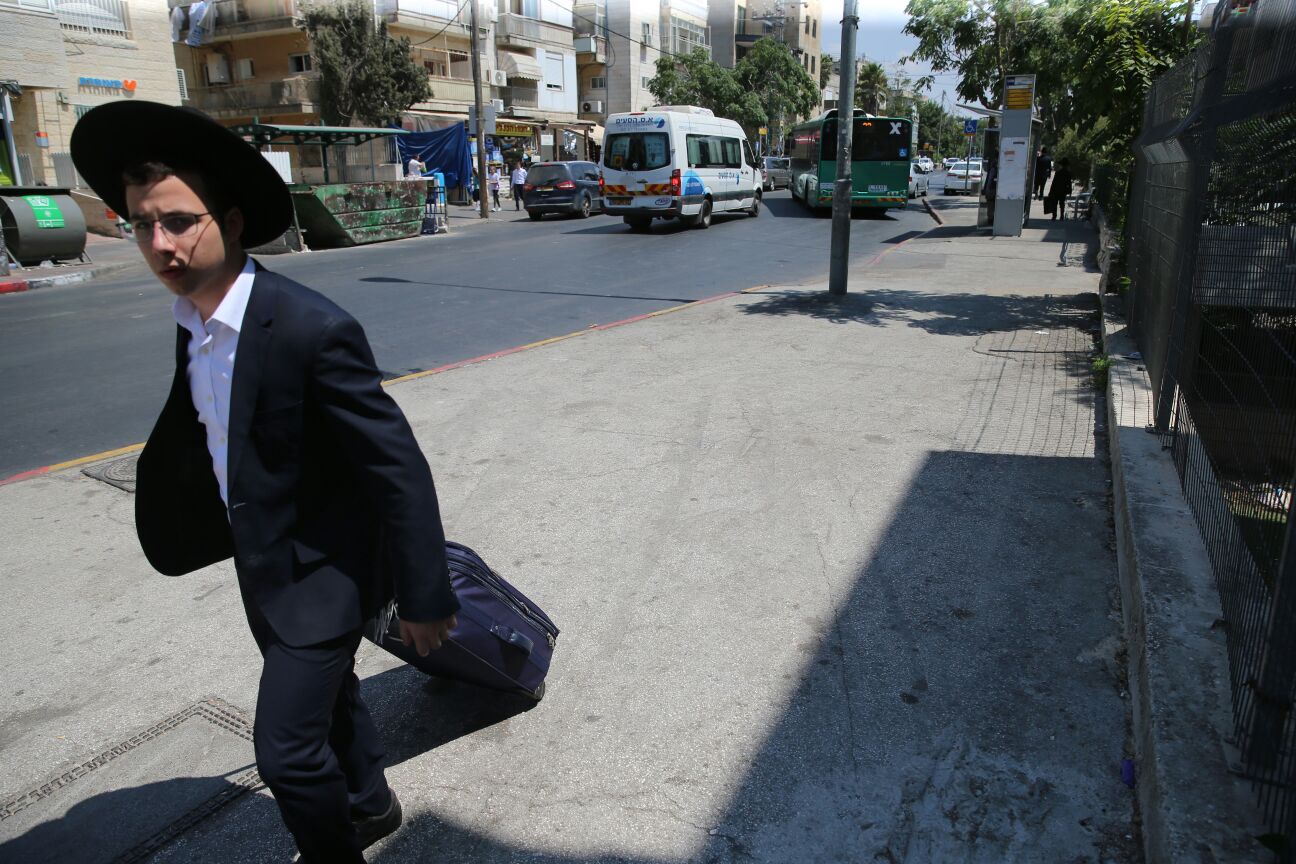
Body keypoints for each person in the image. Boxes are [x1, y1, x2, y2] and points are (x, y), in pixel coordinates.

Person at [70, 101, 459, 864]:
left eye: (179, 221)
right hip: (261, 562)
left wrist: (425, 594)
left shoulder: (311, 328)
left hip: (324, 573)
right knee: (332, 698)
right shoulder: (192, 317)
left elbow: (396, 465)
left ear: (233, 222)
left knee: (285, 755)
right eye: (143, 224)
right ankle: (372, 802)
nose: (159, 243)